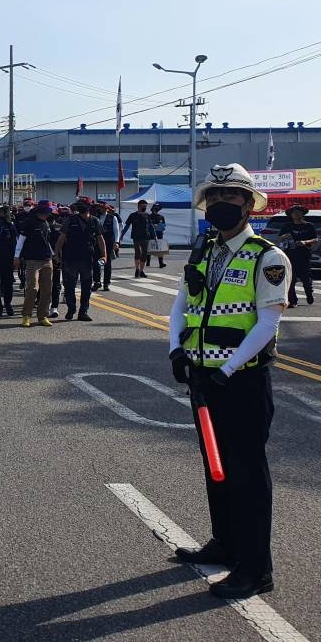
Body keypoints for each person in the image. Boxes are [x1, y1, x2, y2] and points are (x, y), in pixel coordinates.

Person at [168, 163, 291, 599]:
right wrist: (175, 349)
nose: (222, 204)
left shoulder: (268, 257)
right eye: (215, 198)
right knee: (215, 466)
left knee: (247, 473)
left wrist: (226, 369)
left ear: (248, 203)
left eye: (231, 197)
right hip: (204, 377)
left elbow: (267, 326)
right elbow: (182, 303)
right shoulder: (205, 251)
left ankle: (256, 569)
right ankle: (225, 543)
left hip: (242, 381)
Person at [55, 201, 107, 322]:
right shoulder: (70, 220)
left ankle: (83, 311)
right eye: (80, 206)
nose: (82, 208)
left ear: (90, 207)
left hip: (87, 258)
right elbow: (61, 237)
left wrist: (104, 255)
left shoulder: (95, 221)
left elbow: (100, 239)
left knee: (86, 286)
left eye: (85, 205)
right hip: (70, 257)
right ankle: (71, 308)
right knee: (69, 286)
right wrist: (57, 253)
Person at [14, 200, 55, 327]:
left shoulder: (46, 223)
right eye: (48, 210)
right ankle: (26, 316)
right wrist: (16, 256)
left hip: (47, 260)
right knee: (32, 288)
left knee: (47, 290)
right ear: (42, 210)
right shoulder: (29, 222)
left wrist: (54, 255)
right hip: (32, 260)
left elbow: (47, 242)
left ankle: (42, 316)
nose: (50, 212)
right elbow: (21, 240)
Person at [277, 204, 316, 307]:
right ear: (291, 215)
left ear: (302, 214)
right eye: (294, 212)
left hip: (304, 256)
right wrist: (284, 237)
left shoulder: (308, 226)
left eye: (298, 212)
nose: (296, 214)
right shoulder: (287, 226)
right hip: (290, 256)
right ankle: (293, 301)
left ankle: (309, 294)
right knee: (291, 278)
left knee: (306, 278)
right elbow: (279, 239)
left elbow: (315, 239)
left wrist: (305, 242)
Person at [120, 199, 156, 278]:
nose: (144, 208)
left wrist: (155, 236)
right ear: (138, 206)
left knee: (144, 254)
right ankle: (137, 269)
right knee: (137, 253)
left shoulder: (147, 215)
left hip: (146, 237)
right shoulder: (133, 215)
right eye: (143, 206)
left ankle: (141, 270)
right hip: (136, 237)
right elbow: (127, 226)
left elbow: (151, 227)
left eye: (145, 206)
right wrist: (122, 235)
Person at [91, 203, 120, 292]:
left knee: (107, 264)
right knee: (96, 263)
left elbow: (116, 231)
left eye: (103, 208)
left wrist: (117, 242)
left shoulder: (112, 217)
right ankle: (97, 282)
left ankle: (106, 283)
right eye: (100, 208)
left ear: (107, 209)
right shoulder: (96, 217)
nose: (102, 209)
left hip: (109, 243)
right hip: (97, 243)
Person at [147, 203, 168, 269]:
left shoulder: (161, 217)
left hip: (159, 234)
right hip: (151, 234)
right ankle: (148, 262)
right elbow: (147, 225)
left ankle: (161, 263)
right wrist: (153, 226)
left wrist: (160, 227)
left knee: (160, 249)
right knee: (149, 247)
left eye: (157, 209)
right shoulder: (149, 216)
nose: (155, 210)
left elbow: (163, 226)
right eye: (154, 209)